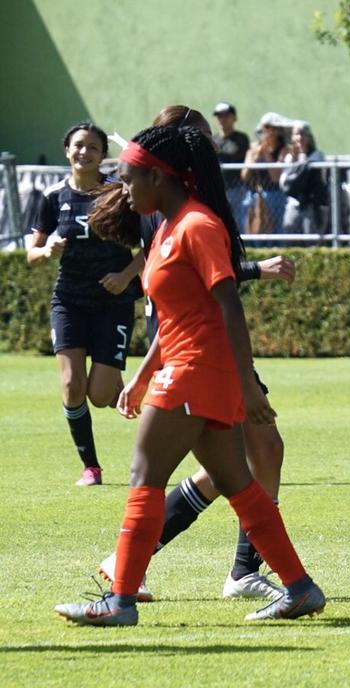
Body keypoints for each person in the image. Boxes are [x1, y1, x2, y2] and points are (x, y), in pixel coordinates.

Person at [54, 124, 324, 626]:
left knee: (143, 474)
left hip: (195, 373)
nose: (125, 189)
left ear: (159, 177)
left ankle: (120, 601)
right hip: (190, 368)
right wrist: (140, 376)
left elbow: (228, 308)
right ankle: (300, 588)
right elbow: (178, 314)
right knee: (237, 482)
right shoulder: (169, 224)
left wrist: (246, 385)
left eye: (131, 178)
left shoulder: (197, 225)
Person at [27, 122, 143, 487]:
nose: (84, 152)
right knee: (72, 386)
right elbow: (32, 252)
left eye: (93, 147)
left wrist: (126, 275)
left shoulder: (119, 193)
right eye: (78, 146)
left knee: (98, 395)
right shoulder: (52, 197)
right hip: (69, 300)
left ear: (102, 155)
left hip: (113, 301)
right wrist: (47, 250)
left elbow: (153, 243)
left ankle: (118, 387)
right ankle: (91, 467)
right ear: (67, 151)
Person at [241, 113, 289, 235]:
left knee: (276, 228)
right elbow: (244, 176)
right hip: (253, 194)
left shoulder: (283, 150)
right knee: (250, 226)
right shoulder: (253, 148)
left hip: (275, 194)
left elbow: (275, 178)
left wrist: (267, 155)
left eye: (275, 128)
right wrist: (254, 157)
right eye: (267, 128)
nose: (271, 132)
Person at [280, 121, 328, 235]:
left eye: (303, 134)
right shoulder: (289, 157)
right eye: (296, 134)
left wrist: (301, 161)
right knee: (290, 236)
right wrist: (294, 159)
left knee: (312, 238)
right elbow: (284, 182)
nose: (300, 138)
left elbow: (308, 175)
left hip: (312, 205)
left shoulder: (316, 155)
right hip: (294, 203)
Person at [212, 102, 250, 233]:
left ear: (234, 118)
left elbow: (235, 153)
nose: (222, 119)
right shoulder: (213, 139)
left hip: (236, 188)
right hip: (217, 188)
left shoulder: (241, 138)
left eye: (226, 116)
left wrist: (218, 151)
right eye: (219, 116)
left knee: (238, 221)